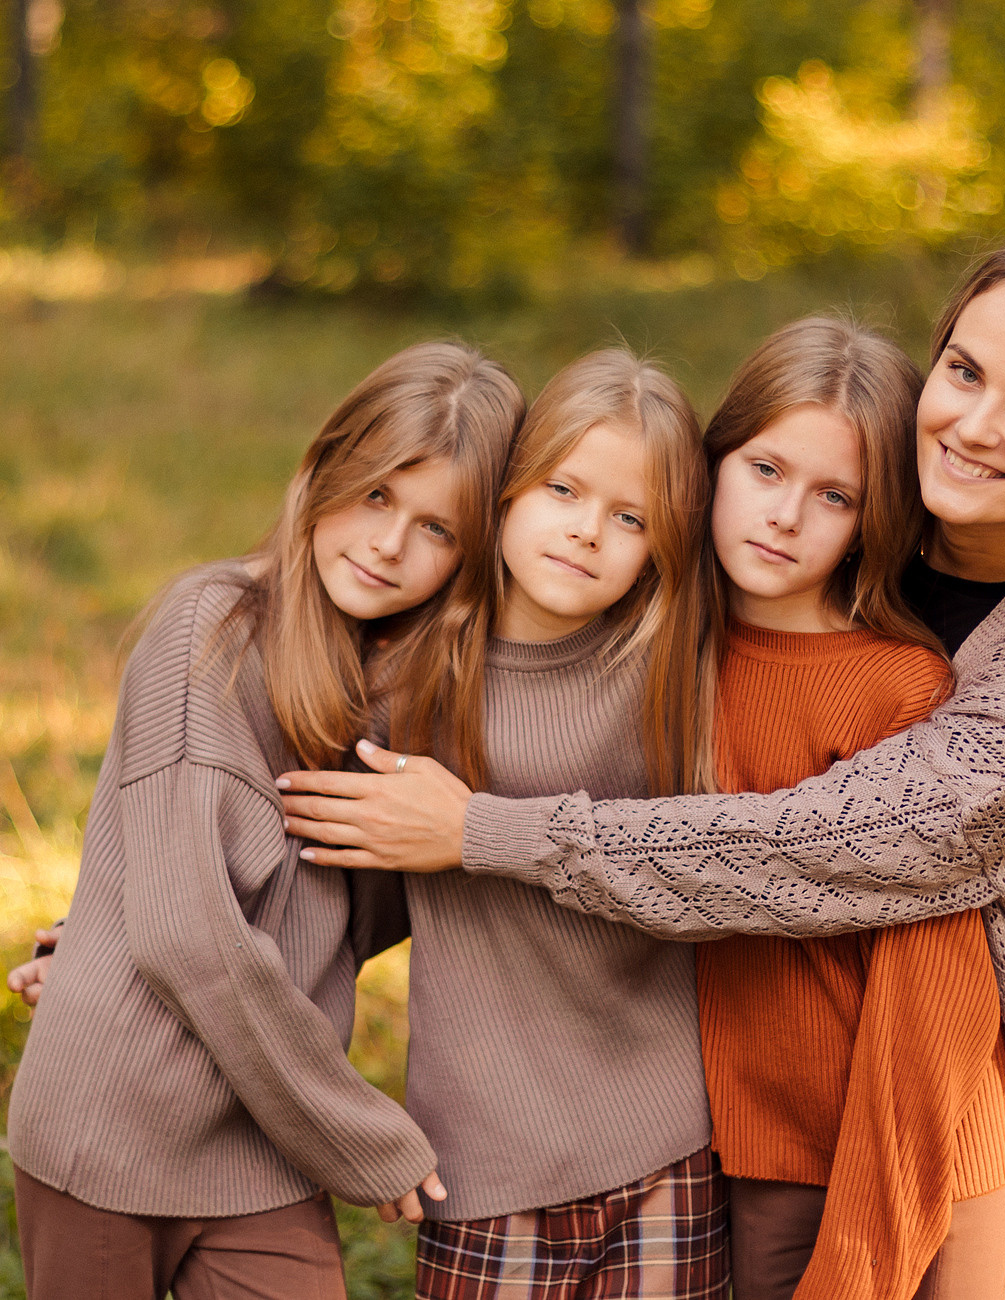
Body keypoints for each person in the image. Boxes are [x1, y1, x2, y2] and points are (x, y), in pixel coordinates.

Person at [276, 224, 1005, 1300]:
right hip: (763, 1110)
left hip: (986, 1108)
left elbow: (826, 844)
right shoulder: (839, 548)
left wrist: (485, 830)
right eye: (965, 372)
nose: (972, 425)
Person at [3, 341, 523, 1300]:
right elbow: (188, 930)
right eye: (375, 495)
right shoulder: (212, 631)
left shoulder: (412, 692)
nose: (389, 544)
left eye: (436, 528)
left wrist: (99, 933)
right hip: (112, 1122)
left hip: (259, 1145)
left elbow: (363, 907)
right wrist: (358, 1134)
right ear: (323, 471)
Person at [686, 314, 1005, 1300]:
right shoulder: (671, 660)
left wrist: (865, 1254)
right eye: (765, 469)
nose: (785, 516)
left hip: (928, 1154)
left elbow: (936, 990)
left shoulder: (899, 687)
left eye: (835, 496)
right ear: (714, 461)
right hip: (767, 1147)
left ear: (873, 523)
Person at [384, 347, 727, 1300]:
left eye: (631, 518)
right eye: (563, 490)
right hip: (484, 1154)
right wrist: (100, 939)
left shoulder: (673, 672)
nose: (587, 531)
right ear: (507, 490)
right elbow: (303, 862)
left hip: (665, 1141)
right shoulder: (411, 678)